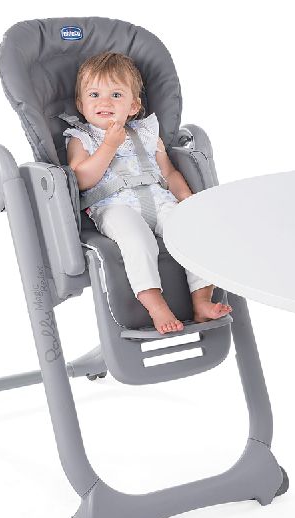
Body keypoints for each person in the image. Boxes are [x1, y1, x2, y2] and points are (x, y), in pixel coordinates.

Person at [64, 51, 232, 334]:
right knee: (138, 240)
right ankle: (155, 306)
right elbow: (80, 178)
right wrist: (108, 146)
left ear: (133, 106)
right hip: (115, 206)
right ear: (81, 104)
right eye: (94, 95)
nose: (104, 102)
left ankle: (202, 299)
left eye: (116, 95)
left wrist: (186, 199)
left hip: (159, 198)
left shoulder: (145, 133)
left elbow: (169, 173)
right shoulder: (81, 138)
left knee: (193, 231)